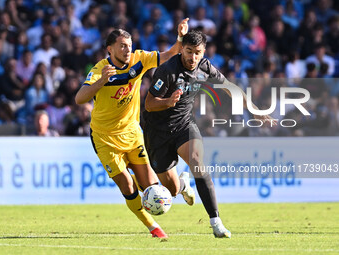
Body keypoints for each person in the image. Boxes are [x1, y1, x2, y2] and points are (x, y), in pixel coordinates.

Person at [143, 30, 275, 238]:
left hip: (183, 124)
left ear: (203, 52)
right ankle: (184, 184)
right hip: (157, 131)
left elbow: (229, 87)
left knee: (197, 161)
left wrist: (254, 109)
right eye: (188, 52)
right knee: (173, 189)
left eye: (197, 52)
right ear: (182, 50)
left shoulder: (204, 68)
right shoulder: (167, 71)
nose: (192, 57)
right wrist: (168, 102)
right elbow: (149, 104)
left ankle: (216, 223)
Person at [75, 18, 189, 239]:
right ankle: (153, 228)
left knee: (156, 191)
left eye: (130, 45)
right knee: (127, 185)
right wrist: (100, 83)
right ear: (110, 49)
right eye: (122, 46)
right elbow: (80, 98)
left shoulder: (139, 59)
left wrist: (181, 36)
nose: (128, 50)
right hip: (104, 137)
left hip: (132, 133)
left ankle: (182, 183)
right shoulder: (100, 69)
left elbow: (170, 54)